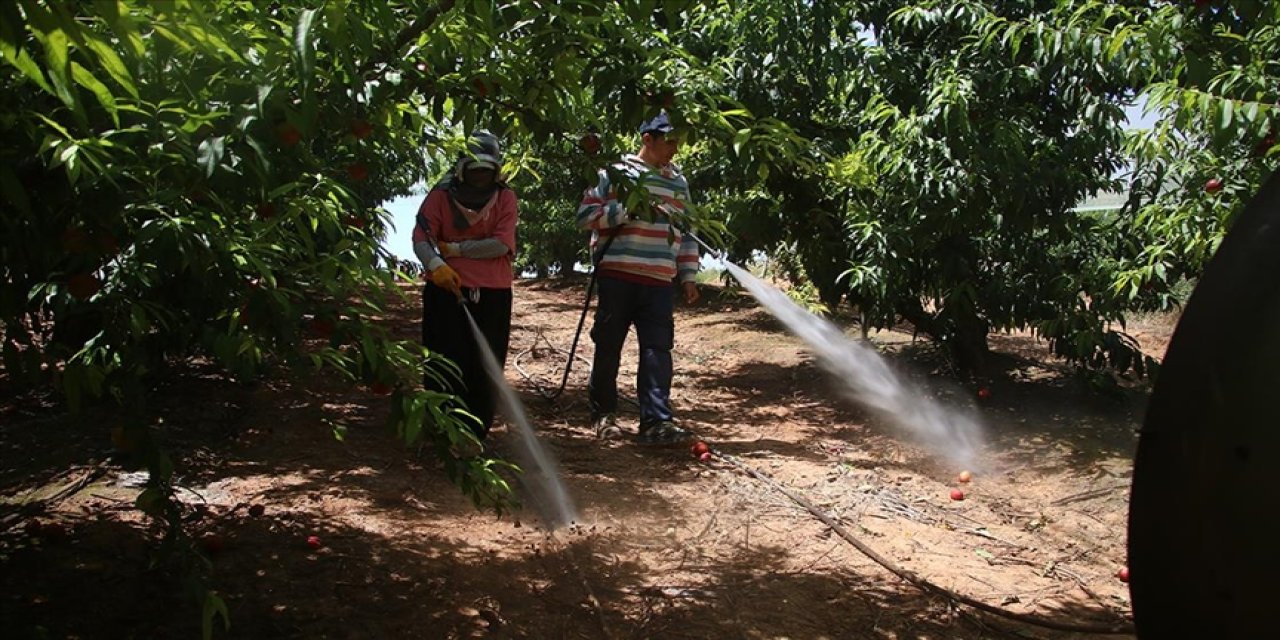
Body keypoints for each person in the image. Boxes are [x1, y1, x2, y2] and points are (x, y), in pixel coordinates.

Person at [576, 112, 701, 444]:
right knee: (608, 346)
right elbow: (585, 216)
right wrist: (629, 208)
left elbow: (687, 231)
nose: (675, 148)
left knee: (657, 351)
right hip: (618, 274)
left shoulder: (678, 183)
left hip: (659, 280)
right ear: (648, 139)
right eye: (669, 141)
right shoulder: (615, 175)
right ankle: (604, 415)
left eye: (678, 141)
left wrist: (688, 274)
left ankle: (657, 421)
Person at [413, 131, 518, 443]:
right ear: (461, 169)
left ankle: (474, 433)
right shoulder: (439, 197)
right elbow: (422, 239)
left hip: (493, 294)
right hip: (445, 291)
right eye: (474, 170)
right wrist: (436, 265)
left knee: (485, 364)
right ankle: (443, 428)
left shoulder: (506, 198)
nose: (480, 178)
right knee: (444, 358)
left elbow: (501, 244)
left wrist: (456, 251)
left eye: (486, 171)